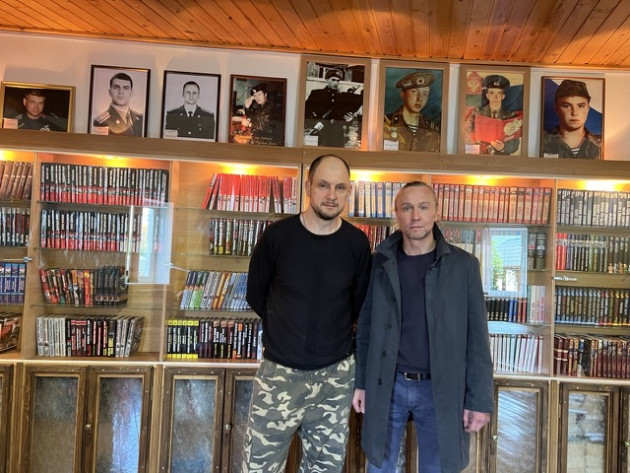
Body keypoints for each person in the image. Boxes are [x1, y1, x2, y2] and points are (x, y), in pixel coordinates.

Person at [352, 181, 494, 473]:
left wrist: (479, 399)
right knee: (379, 466)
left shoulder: (464, 266)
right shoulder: (379, 263)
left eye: (423, 207)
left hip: (441, 387)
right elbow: (365, 329)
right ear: (397, 214)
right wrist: (361, 382)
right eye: (407, 208)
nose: (415, 215)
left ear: (436, 212)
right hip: (387, 383)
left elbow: (478, 339)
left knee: (438, 467)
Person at [244, 154, 372, 472]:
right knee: (258, 466)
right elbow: (256, 295)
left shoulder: (357, 243)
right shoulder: (277, 237)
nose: (331, 195)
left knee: (324, 468)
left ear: (348, 191)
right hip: (279, 375)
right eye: (323, 185)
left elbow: (359, 305)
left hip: (335, 379)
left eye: (340, 187)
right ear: (308, 187)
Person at [541, 79, 601, 159]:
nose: (574, 113)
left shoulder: (601, 144)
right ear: (556, 108)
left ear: (588, 108)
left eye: (581, 106)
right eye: (567, 106)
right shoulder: (542, 143)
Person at [304, 68, 363, 147]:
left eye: (338, 81)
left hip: (337, 135)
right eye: (333, 80)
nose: (336, 83)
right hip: (320, 133)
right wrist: (314, 123)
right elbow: (306, 112)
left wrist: (349, 119)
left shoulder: (342, 97)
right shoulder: (317, 94)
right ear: (327, 80)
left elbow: (343, 116)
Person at [383, 72, 440, 152]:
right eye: (414, 92)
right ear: (403, 94)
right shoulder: (385, 124)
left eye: (425, 94)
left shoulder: (432, 132)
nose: (420, 98)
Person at [465, 74, 521, 155]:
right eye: (492, 93)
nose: (496, 97)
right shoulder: (477, 113)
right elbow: (467, 135)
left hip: (501, 159)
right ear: (487, 95)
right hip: (480, 157)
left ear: (503, 96)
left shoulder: (510, 116)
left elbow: (515, 145)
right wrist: (477, 148)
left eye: (499, 93)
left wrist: (503, 148)